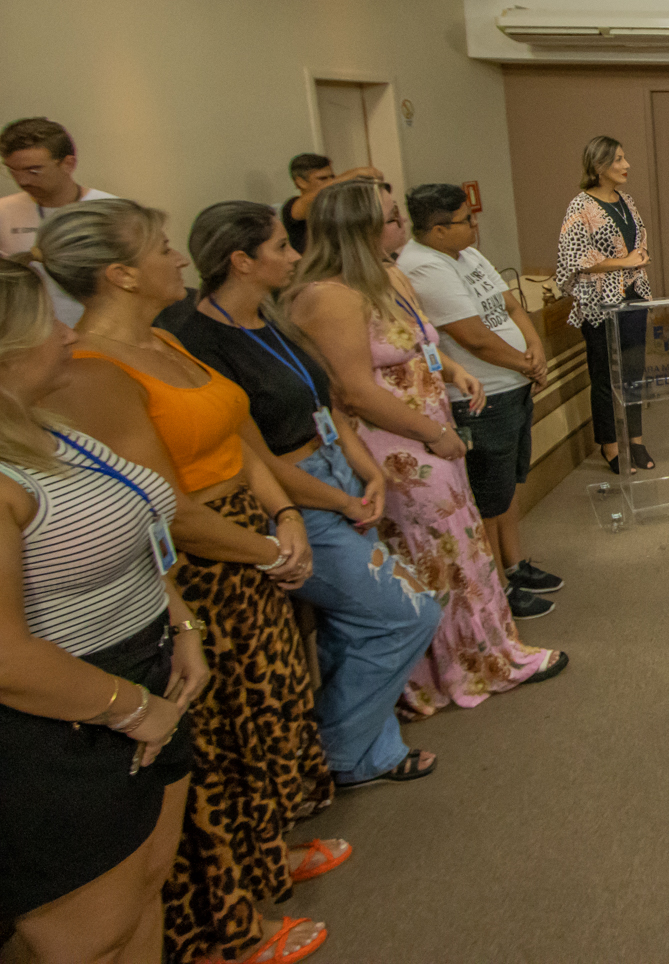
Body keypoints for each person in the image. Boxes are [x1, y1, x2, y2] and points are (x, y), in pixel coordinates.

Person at [37, 199, 340, 964]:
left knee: (267, 717)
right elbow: (162, 501)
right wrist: (263, 549)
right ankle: (228, 923)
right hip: (205, 564)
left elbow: (237, 437)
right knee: (217, 749)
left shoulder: (168, 339)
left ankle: (267, 854)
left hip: (252, 532)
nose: (179, 258)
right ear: (121, 273)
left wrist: (285, 515)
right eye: (163, 248)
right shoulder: (95, 372)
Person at [160, 201, 444, 788]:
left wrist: (368, 473)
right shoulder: (195, 339)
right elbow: (250, 455)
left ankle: (372, 745)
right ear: (241, 261)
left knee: (354, 623)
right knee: (407, 613)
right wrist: (334, 499)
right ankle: (337, 753)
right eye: (280, 248)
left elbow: (330, 404)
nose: (294, 256)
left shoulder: (271, 316)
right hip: (294, 497)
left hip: (337, 473)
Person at [291, 180, 566, 717]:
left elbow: (422, 343)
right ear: (360, 229)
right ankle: (447, 670)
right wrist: (430, 432)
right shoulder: (327, 297)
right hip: (396, 440)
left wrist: (456, 372)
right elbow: (352, 390)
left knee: (461, 544)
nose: (402, 227)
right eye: (392, 219)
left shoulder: (386, 275)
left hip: (432, 425)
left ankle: (487, 652)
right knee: (432, 552)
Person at [0, 258, 208, 964]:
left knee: (145, 891)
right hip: (65, 721)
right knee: (89, 938)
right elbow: (5, 655)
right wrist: (130, 707)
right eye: (45, 325)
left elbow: (132, 531)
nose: (66, 333)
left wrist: (180, 622)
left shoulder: (44, 424)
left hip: (144, 670)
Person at [399, 183, 563, 620]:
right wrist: (525, 365)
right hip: (481, 399)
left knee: (507, 487)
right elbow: (472, 337)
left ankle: (515, 562)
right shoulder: (422, 267)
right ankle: (499, 586)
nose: (475, 225)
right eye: (465, 221)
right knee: (487, 497)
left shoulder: (466, 254)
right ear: (436, 230)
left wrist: (536, 347)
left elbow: (508, 305)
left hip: (513, 386)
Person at [554, 136, 655, 468]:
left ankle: (636, 440)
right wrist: (623, 262)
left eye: (625, 159)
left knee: (633, 371)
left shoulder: (626, 199)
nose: (626, 166)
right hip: (599, 301)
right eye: (618, 161)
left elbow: (635, 240)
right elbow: (573, 258)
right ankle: (610, 445)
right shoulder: (580, 206)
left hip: (633, 294)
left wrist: (638, 256)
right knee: (605, 374)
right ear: (599, 167)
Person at [0, 116, 118, 328]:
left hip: (101, 331)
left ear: (68, 163)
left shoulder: (113, 210)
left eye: (33, 170)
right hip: (31, 335)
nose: (22, 181)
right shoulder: (3, 212)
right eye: (12, 171)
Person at [279, 154, 382, 256]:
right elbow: (312, 200)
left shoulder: (337, 204)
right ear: (301, 182)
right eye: (323, 178)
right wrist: (355, 174)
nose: (330, 182)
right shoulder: (292, 206)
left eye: (332, 177)